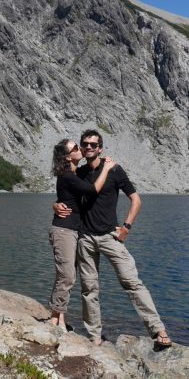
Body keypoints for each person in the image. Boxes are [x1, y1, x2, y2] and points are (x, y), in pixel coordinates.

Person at [57, 129, 172, 350]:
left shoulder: (115, 170)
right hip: (86, 238)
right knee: (89, 289)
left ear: (100, 148)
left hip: (111, 236)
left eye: (93, 144)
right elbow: (66, 198)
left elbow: (136, 200)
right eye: (85, 144)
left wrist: (126, 227)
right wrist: (55, 204)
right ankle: (94, 338)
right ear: (81, 147)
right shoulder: (78, 173)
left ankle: (158, 329)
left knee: (132, 282)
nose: (89, 147)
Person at [48, 139, 116, 330]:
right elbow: (93, 190)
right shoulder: (68, 175)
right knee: (67, 276)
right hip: (64, 230)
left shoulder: (73, 174)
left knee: (66, 274)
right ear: (68, 156)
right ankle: (55, 318)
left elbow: (66, 198)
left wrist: (55, 203)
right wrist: (106, 169)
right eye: (76, 148)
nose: (80, 148)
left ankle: (60, 317)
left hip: (72, 230)